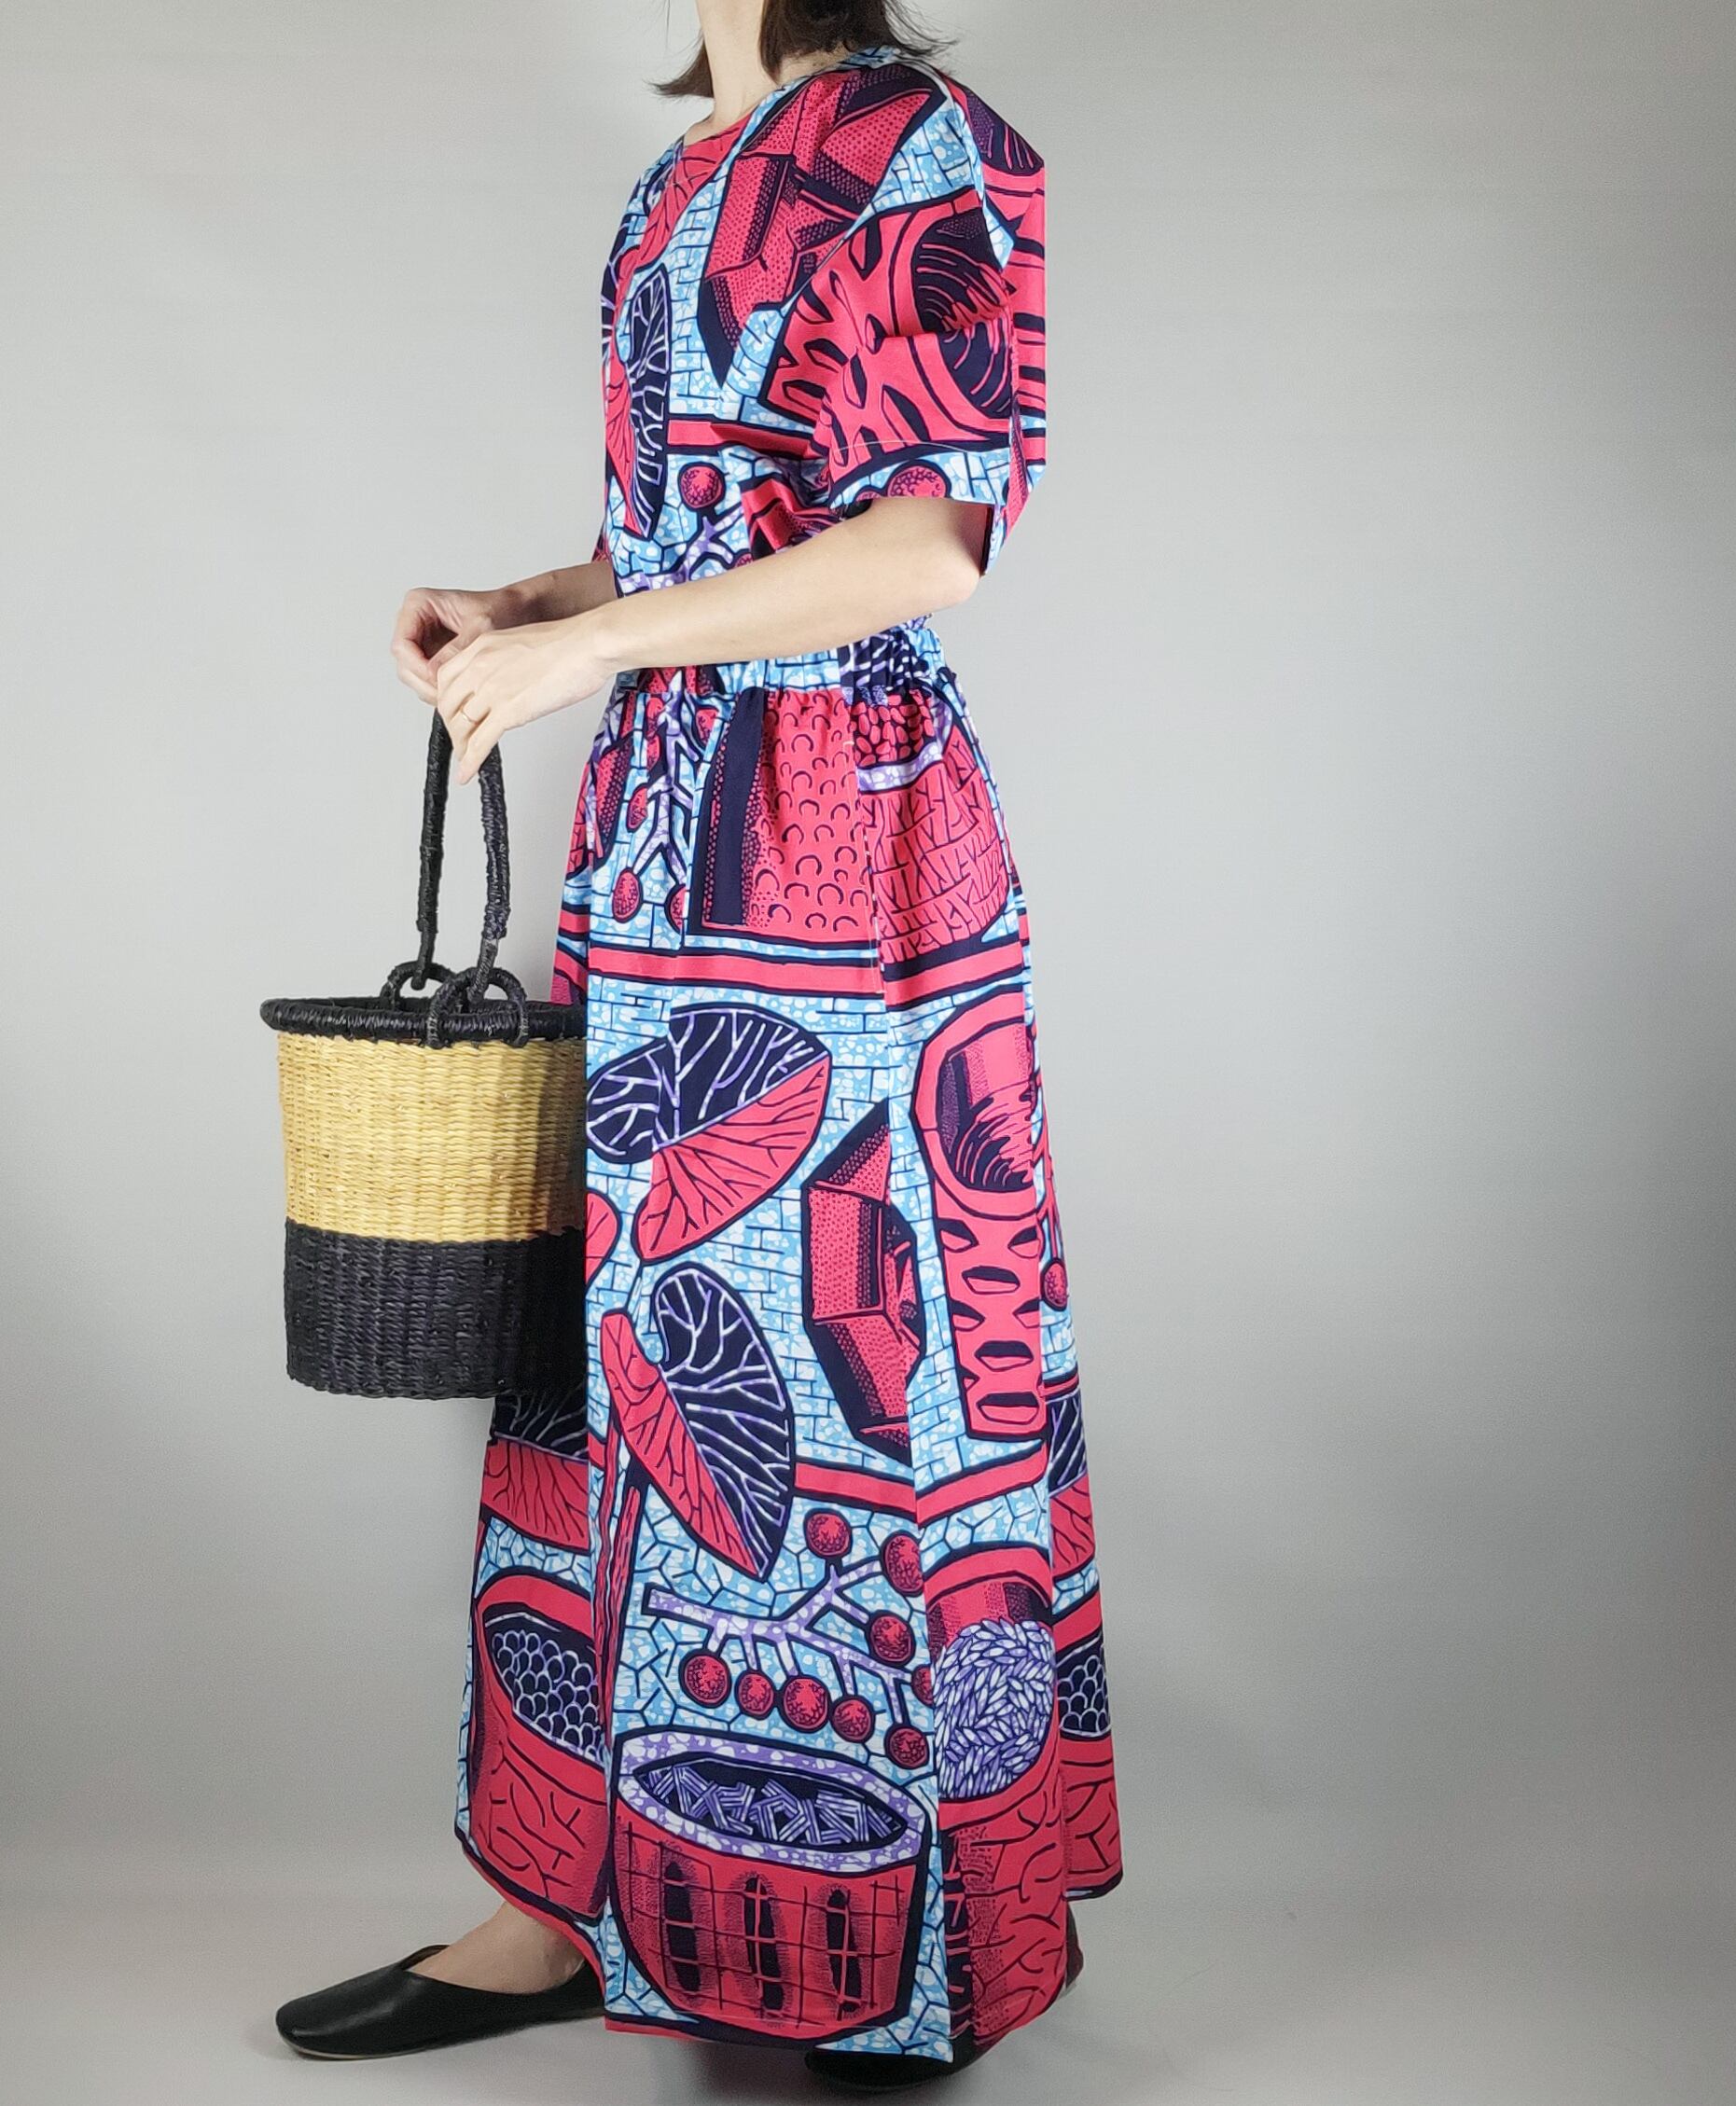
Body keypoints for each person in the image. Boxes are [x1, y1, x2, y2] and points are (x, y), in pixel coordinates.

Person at [275, 1, 1119, 2088]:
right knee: (619, 1352)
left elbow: (924, 539)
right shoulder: (683, 169)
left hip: (838, 838)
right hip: (663, 827)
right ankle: (561, 1902)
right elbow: (715, 530)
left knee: (846, 1357)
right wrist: (531, 600)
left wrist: (600, 642)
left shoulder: (919, 136)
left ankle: (885, 1954)